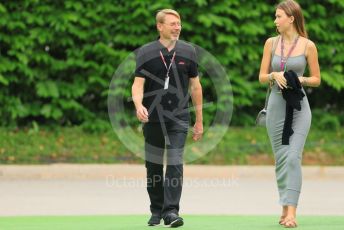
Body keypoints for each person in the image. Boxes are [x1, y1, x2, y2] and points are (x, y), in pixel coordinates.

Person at [132, 9, 203, 228]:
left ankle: (171, 211)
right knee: (153, 165)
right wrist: (138, 105)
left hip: (179, 117)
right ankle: (157, 210)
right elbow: (138, 85)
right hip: (153, 118)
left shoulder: (188, 51)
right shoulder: (146, 52)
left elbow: (195, 86)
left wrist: (199, 120)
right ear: (159, 27)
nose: (177, 27)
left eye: (179, 23)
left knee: (174, 162)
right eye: (172, 24)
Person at [259, 0, 320, 228]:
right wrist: (274, 75)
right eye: (275, 17)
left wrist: (299, 79)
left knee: (293, 157)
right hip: (275, 106)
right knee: (281, 159)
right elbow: (261, 77)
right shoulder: (270, 43)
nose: (275, 21)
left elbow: (316, 79)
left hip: (299, 107)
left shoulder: (308, 45)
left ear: (291, 19)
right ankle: (284, 208)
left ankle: (292, 212)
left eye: (278, 17)